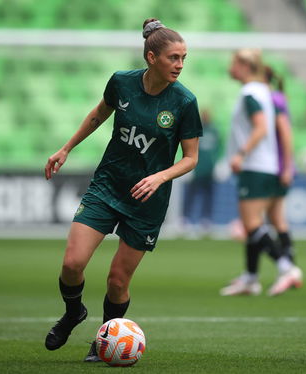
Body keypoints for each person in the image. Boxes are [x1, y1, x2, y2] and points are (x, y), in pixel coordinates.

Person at [43, 18, 202, 362]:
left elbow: (190, 159)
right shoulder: (122, 83)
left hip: (147, 200)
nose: (180, 65)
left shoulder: (185, 102)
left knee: (117, 281)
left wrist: (160, 177)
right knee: (72, 264)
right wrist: (66, 148)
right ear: (151, 57)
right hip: (108, 185)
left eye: (183, 58)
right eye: (174, 58)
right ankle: (73, 313)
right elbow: (99, 113)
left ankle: (103, 344)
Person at [220, 49, 301, 297]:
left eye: (233, 61)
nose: (230, 66)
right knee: (263, 222)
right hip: (266, 165)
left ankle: (287, 268)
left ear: (244, 65)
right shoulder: (265, 92)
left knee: (252, 224)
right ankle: (251, 278)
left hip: (255, 166)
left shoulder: (249, 94)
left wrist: (241, 154)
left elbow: (262, 128)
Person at [263, 65, 303, 296]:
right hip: (278, 166)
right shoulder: (276, 97)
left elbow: (285, 133)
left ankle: (287, 269)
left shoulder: (272, 99)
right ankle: (288, 270)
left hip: (276, 167)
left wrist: (287, 166)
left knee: (259, 221)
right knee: (277, 219)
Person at [181, 108, 221, 236]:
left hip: (209, 170)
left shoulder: (214, 131)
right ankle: (186, 219)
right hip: (196, 169)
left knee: (208, 196)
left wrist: (219, 164)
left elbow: (220, 148)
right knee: (191, 195)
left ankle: (206, 220)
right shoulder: (196, 130)